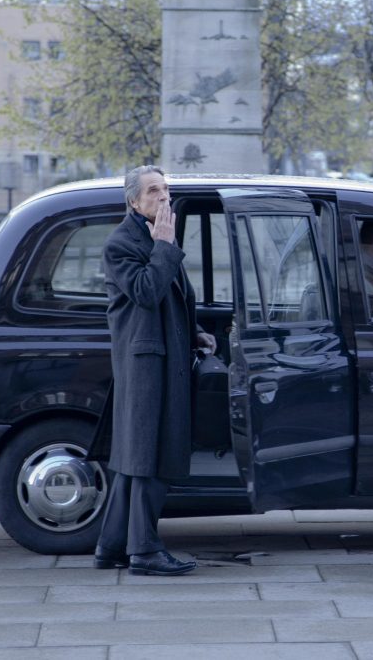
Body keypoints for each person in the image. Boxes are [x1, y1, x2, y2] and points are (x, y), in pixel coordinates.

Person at [93, 165, 216, 576]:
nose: (164, 196)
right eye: (153, 191)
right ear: (133, 201)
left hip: (165, 357)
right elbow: (146, 291)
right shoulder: (122, 243)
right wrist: (164, 244)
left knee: (136, 457)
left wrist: (196, 331)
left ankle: (111, 547)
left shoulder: (157, 236)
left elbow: (171, 299)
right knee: (150, 456)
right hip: (145, 365)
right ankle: (144, 551)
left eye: (166, 189)